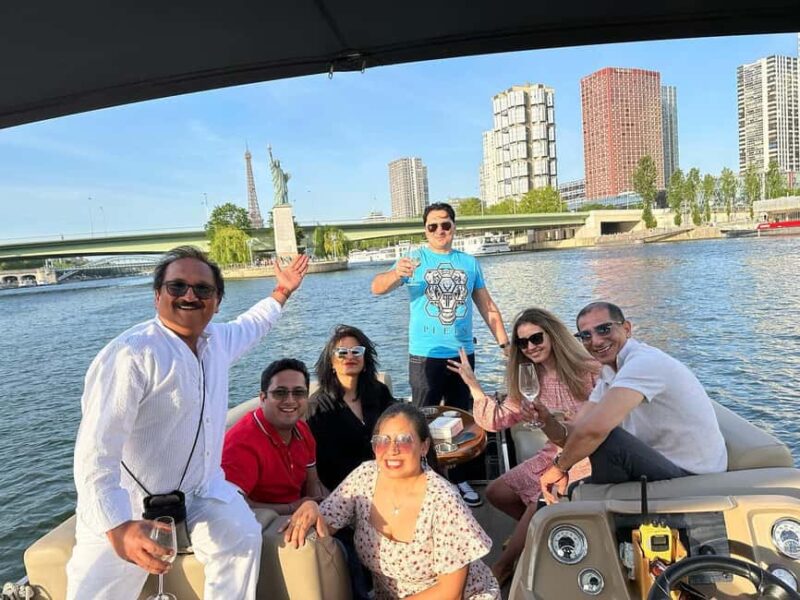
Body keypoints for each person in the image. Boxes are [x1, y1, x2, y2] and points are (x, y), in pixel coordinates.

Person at [66, 246, 309, 600]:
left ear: (217, 300)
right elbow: (95, 453)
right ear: (157, 296)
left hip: (201, 491)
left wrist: (282, 291)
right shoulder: (131, 355)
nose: (190, 296)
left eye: (202, 289)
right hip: (128, 502)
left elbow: (254, 324)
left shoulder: (218, 341)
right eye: (177, 287)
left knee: (241, 536)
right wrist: (118, 527)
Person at [282, 403, 501, 600]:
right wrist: (311, 506)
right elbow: (325, 522)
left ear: (424, 447)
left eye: (404, 440)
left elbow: (450, 593)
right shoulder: (364, 477)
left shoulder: (444, 501)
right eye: (382, 441)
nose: (392, 450)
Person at [370, 202, 510, 507]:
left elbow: (487, 307)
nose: (440, 231)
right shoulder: (414, 259)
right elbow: (377, 288)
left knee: (462, 419)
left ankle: (459, 480)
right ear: (425, 230)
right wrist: (396, 273)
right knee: (421, 419)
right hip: (424, 355)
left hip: (462, 354)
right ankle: (422, 478)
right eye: (433, 226)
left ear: (454, 227)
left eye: (445, 225)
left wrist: (505, 345)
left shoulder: (470, 264)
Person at [447, 307, 599, 585]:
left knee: (537, 501)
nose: (530, 347)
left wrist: (563, 421)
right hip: (553, 452)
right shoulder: (529, 378)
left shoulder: (588, 370)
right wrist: (473, 386)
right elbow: (496, 421)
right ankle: (540, 538)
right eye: (522, 342)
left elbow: (603, 419)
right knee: (496, 492)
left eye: (536, 338)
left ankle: (504, 567)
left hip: (589, 455)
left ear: (552, 335)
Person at [539, 301, 728, 505]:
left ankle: (601, 511)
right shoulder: (611, 372)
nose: (596, 341)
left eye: (604, 329)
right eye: (585, 335)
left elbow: (595, 430)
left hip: (693, 475)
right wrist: (545, 421)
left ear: (626, 328)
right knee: (568, 494)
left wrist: (559, 467)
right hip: (661, 464)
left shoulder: (644, 363)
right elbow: (578, 430)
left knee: (606, 438)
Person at [222, 359, 326, 518]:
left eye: (298, 392)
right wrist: (292, 508)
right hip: (258, 520)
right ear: (263, 398)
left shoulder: (302, 430)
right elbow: (234, 505)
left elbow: (313, 482)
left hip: (299, 511)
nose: (290, 400)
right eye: (280, 393)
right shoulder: (241, 442)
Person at [307, 324, 395, 491]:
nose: (350, 357)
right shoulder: (318, 407)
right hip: (342, 491)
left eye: (356, 352)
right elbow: (314, 463)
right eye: (342, 353)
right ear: (331, 362)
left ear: (365, 359)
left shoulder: (379, 392)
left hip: (386, 479)